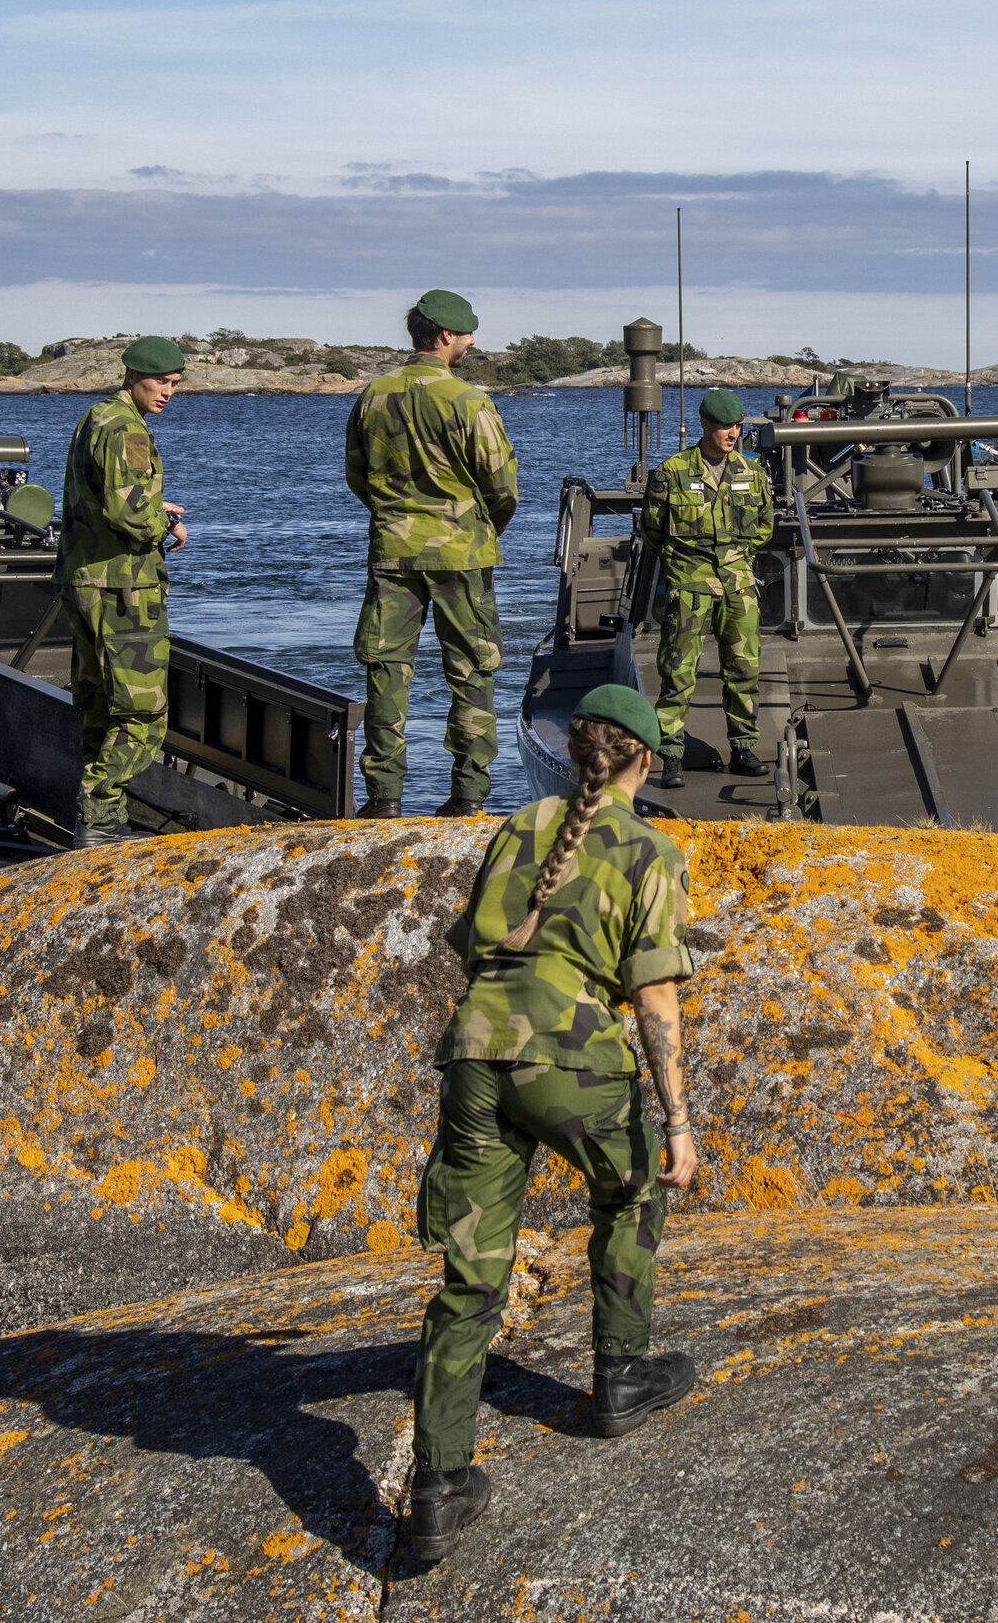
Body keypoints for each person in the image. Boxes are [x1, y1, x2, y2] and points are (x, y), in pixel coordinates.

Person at [401, 682, 701, 1567]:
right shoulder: (651, 849)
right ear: (641, 760)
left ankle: (438, 1487)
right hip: (570, 1062)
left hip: (474, 1056)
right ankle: (619, 1375)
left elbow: (471, 946)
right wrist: (678, 1120)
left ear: (577, 755)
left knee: (471, 1278)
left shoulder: (517, 827)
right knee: (633, 1184)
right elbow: (654, 995)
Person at [347, 288, 522, 817]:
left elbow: (358, 477)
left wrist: (397, 516)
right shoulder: (468, 401)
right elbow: (503, 484)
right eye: (466, 334)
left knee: (386, 667)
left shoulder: (373, 395)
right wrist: (481, 527)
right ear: (445, 336)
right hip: (461, 555)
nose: (470, 342)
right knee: (471, 671)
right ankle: (468, 796)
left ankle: (384, 798)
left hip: (392, 552)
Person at [61, 336, 190, 847]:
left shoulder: (96, 418)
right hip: (122, 586)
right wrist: (165, 524)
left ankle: (99, 819)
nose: (168, 393)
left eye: (176, 384)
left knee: (98, 702)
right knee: (142, 711)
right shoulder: (128, 432)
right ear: (133, 376)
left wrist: (155, 508)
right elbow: (129, 515)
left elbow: (103, 498)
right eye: (161, 382)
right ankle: (100, 816)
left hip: (84, 577)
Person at [643, 388, 773, 787]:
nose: (732, 434)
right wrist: (686, 567)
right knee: (678, 673)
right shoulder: (672, 472)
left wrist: (736, 558)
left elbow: (764, 526)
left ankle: (744, 747)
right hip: (690, 586)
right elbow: (653, 531)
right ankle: (671, 756)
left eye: (736, 426)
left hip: (738, 586)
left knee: (744, 670)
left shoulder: (751, 472)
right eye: (723, 427)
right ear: (704, 425)